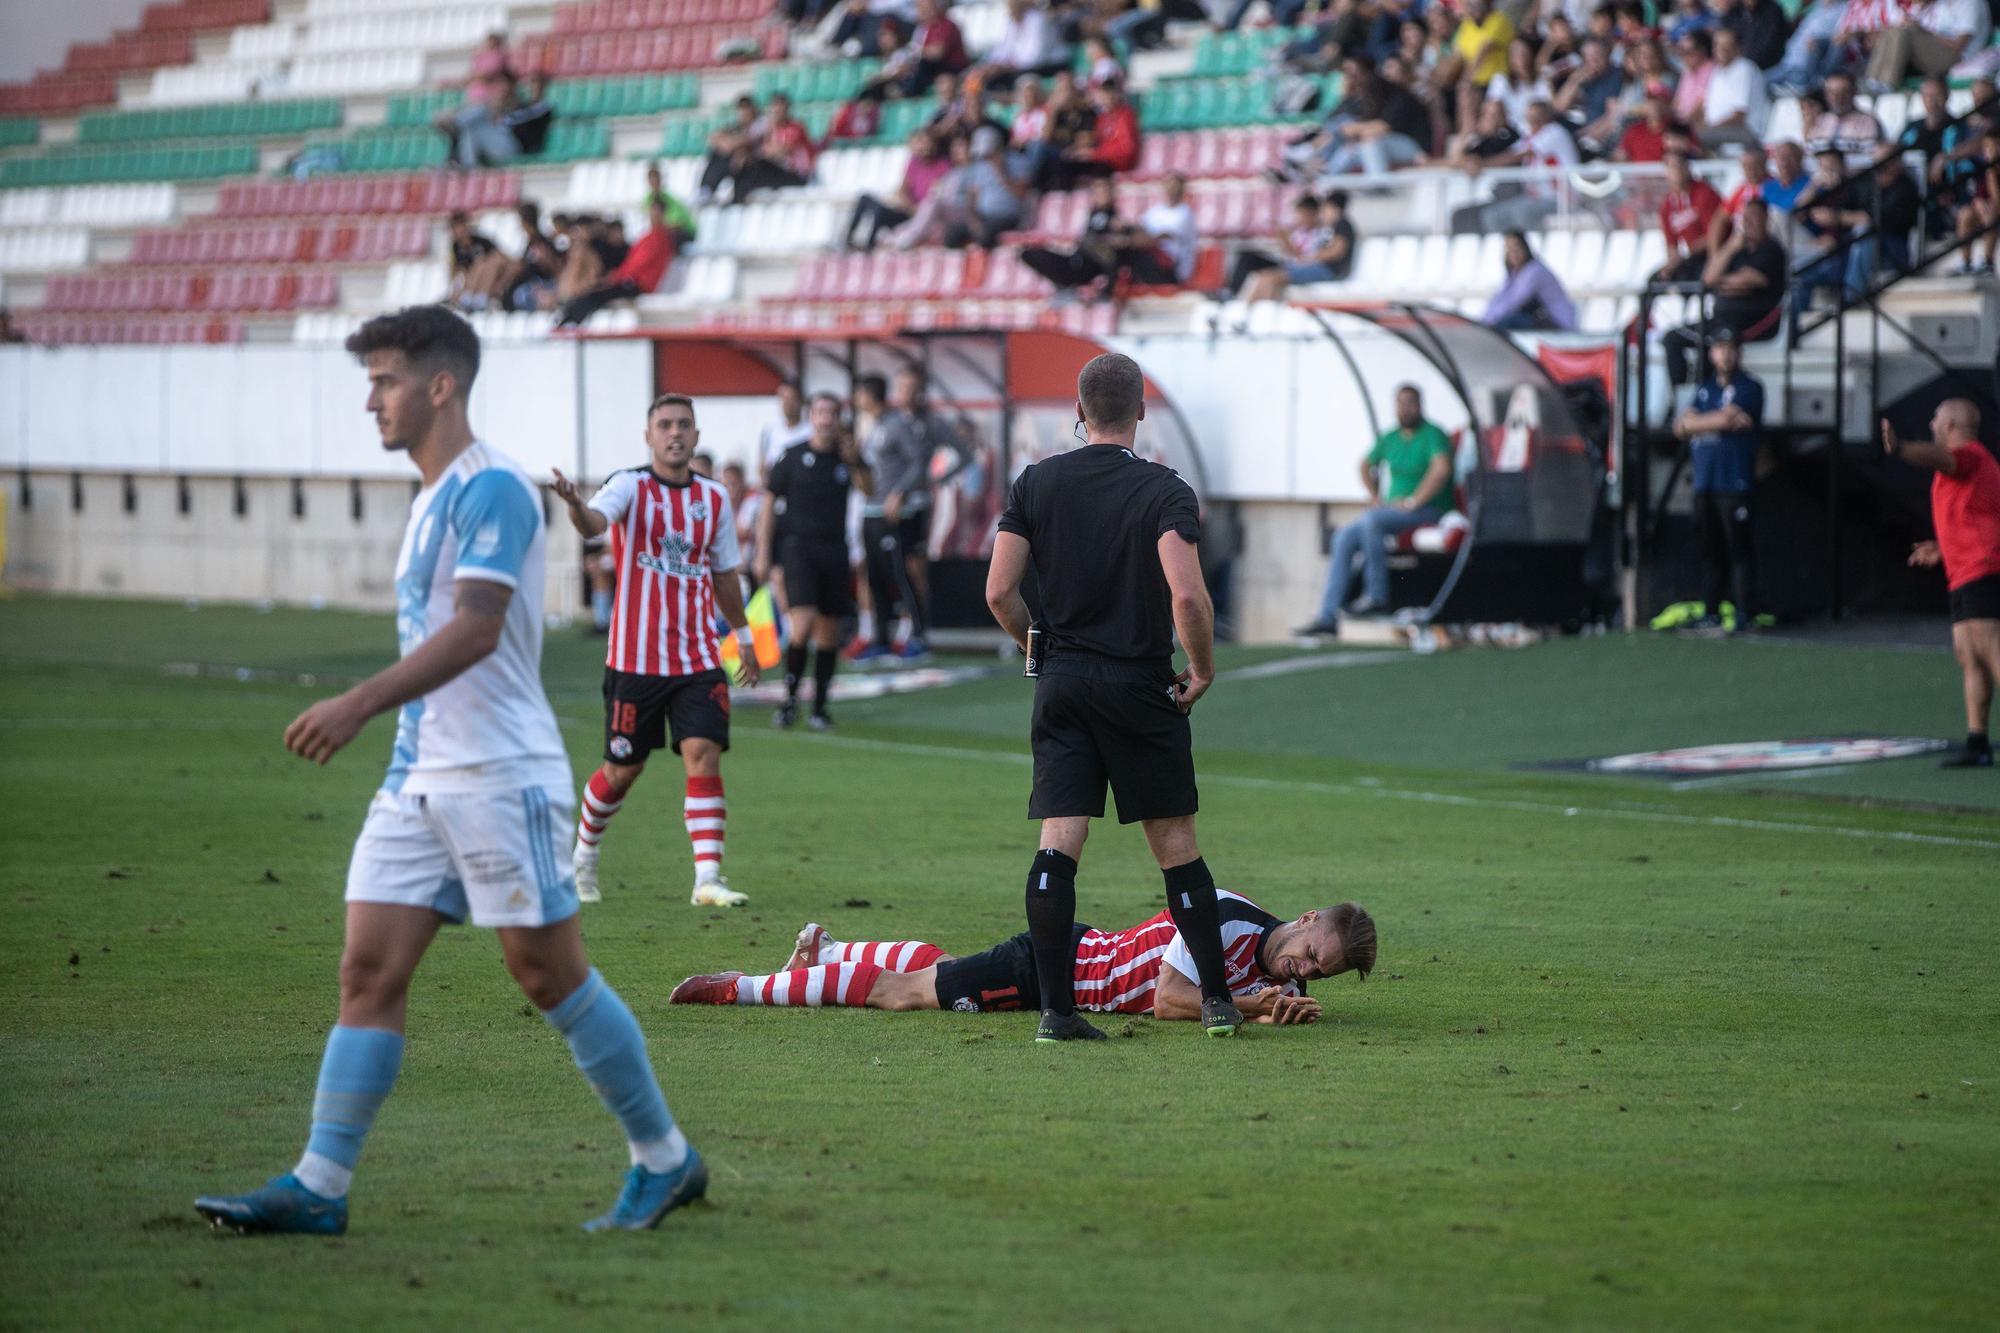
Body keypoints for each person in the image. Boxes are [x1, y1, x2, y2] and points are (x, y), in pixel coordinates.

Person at [191, 307, 707, 1237]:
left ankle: (667, 1158)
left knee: (549, 976)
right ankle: (320, 1183)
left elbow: (475, 628)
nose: (370, 400)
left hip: (499, 775)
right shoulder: (429, 496)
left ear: (440, 386)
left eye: (384, 379)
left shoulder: (495, 488)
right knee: (367, 969)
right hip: (417, 779)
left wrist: (356, 702)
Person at [984, 352, 1245, 1041]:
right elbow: (1187, 591)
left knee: (1058, 843)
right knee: (1177, 847)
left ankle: (1055, 1012)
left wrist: (1035, 645)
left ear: (1078, 411)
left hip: (1063, 681)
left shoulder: (1034, 482)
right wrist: (1202, 666)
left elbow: (998, 591)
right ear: (1140, 413)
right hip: (1137, 683)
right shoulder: (1165, 490)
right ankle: (1217, 1002)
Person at [549, 395, 759, 910]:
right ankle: (584, 855)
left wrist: (744, 637)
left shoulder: (712, 499)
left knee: (702, 754)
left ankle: (707, 878)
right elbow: (597, 523)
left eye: (684, 424)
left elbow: (724, 573)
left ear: (695, 433)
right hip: (634, 661)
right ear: (649, 436)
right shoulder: (629, 485)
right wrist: (576, 505)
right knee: (623, 771)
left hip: (697, 659)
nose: (675, 433)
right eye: (664, 424)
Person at [667, 896, 1378, 1025]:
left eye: (1321, 974)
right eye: (1313, 954)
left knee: (942, 969)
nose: (1305, 971)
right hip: (1054, 970)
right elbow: (1167, 999)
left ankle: (828, 950)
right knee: (901, 994)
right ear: (1308, 917)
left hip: (1074, 958)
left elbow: (1240, 995)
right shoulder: (1219, 911)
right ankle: (745, 986)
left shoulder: (1264, 965)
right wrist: (1247, 1010)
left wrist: (1273, 1007)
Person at [1881, 401, 2000, 767]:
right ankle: (1977, 742)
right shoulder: (1974, 464)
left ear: (1950, 424)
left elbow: (1944, 460)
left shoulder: (1969, 456)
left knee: (1992, 652)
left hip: (1981, 570)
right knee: (1969, 656)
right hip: (1963, 571)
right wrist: (1942, 548)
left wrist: (1900, 448)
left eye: (1935, 418)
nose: (1931, 423)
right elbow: (1973, 518)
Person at [1295, 383, 1455, 635]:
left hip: (1427, 510)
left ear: (1420, 405)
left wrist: (1415, 500)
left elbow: (1441, 469)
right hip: (1393, 512)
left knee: (1371, 521)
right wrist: (1374, 496)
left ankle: (1377, 596)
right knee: (1344, 537)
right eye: (1401, 403)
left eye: (1410, 403)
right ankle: (1327, 618)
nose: (1405, 409)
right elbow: (1364, 465)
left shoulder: (1433, 434)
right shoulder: (1390, 438)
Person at [758, 392, 857, 730]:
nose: (825, 419)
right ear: (811, 416)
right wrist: (763, 553)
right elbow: (769, 505)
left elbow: (870, 489)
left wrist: (856, 458)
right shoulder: (792, 456)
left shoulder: (846, 459)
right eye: (820, 412)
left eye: (832, 412)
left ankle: (819, 707)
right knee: (803, 623)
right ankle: (789, 700)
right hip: (799, 549)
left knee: (829, 632)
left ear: (839, 417)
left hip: (835, 550)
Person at [863, 367, 965, 659]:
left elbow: (959, 455)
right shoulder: (890, 421)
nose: (906, 393)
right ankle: (894, 633)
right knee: (886, 570)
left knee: (911, 569)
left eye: (911, 387)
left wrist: (937, 481)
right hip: (887, 506)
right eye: (902, 386)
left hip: (913, 506)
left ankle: (918, 633)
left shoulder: (930, 422)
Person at [1671, 329, 1764, 633]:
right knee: (1712, 552)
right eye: (1720, 348)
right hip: (1705, 483)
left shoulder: (1750, 387)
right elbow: (1680, 426)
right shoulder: (1705, 389)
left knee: (1739, 549)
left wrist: (1699, 422)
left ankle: (1745, 613)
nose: (1725, 355)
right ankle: (1711, 611)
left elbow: (1714, 420)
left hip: (1734, 482)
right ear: (1711, 353)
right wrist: (1715, 419)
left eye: (1731, 348)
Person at [1662, 197, 1787, 385]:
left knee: (1714, 345)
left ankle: (1707, 398)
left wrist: (1722, 282)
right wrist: (1730, 248)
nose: (1748, 223)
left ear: (1765, 220)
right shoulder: (1737, 249)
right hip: (1720, 319)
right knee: (1672, 338)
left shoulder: (1771, 250)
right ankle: (1683, 396)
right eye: (1745, 218)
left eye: (1754, 217)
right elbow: (1708, 279)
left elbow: (1746, 281)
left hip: (1754, 322)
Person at [552, 198, 677, 328]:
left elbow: (638, 265)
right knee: (592, 292)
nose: (653, 216)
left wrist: (615, 277)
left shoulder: (660, 238)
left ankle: (568, 322)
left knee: (596, 294)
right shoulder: (648, 237)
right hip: (629, 280)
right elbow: (633, 263)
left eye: (656, 212)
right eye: (652, 212)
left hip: (637, 283)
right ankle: (567, 318)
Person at [845, 127, 952, 251]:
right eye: (919, 142)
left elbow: (937, 197)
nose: (923, 146)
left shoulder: (943, 165)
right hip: (910, 210)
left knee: (881, 212)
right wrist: (910, 206)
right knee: (865, 199)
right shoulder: (914, 163)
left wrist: (916, 210)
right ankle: (849, 240)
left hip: (923, 217)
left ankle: (870, 246)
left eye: (925, 142)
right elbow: (902, 190)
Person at [1863, 0, 1989, 91]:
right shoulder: (1941, 4)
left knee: (1902, 32)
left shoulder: (1970, 3)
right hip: (1936, 55)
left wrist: (1923, 31)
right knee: (1893, 29)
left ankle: (1886, 82)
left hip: (1959, 58)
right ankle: (1873, 80)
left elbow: (1958, 45)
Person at [1483, 230, 1576, 330]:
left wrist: (1489, 322)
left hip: (1558, 323)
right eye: (1509, 249)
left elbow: (1515, 301)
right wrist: (1485, 319)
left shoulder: (1535, 271)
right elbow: (1501, 297)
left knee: (1512, 321)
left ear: (1525, 248)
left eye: (1516, 248)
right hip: (1542, 319)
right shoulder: (1515, 273)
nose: (1513, 253)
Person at [1696, 27, 1769, 153]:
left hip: (1745, 131)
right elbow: (1706, 110)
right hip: (1718, 131)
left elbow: (1738, 115)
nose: (1722, 50)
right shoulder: (1717, 72)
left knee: (1695, 138)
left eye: (1727, 45)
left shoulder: (1744, 68)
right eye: (1718, 45)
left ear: (1738, 48)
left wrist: (1709, 129)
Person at [1655, 150, 1723, 283]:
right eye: (1670, 166)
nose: (1676, 171)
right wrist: (1671, 265)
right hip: (1689, 258)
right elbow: (1671, 243)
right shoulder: (1667, 203)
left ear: (1687, 167)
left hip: (1713, 253)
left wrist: (1685, 254)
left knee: (1693, 279)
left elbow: (1715, 234)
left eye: (1679, 165)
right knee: (1654, 281)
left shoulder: (1705, 193)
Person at [759, 382, 813, 477]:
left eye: (791, 398)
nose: (787, 403)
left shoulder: (811, 432)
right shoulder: (770, 430)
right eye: (784, 398)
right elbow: (763, 464)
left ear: (801, 401)